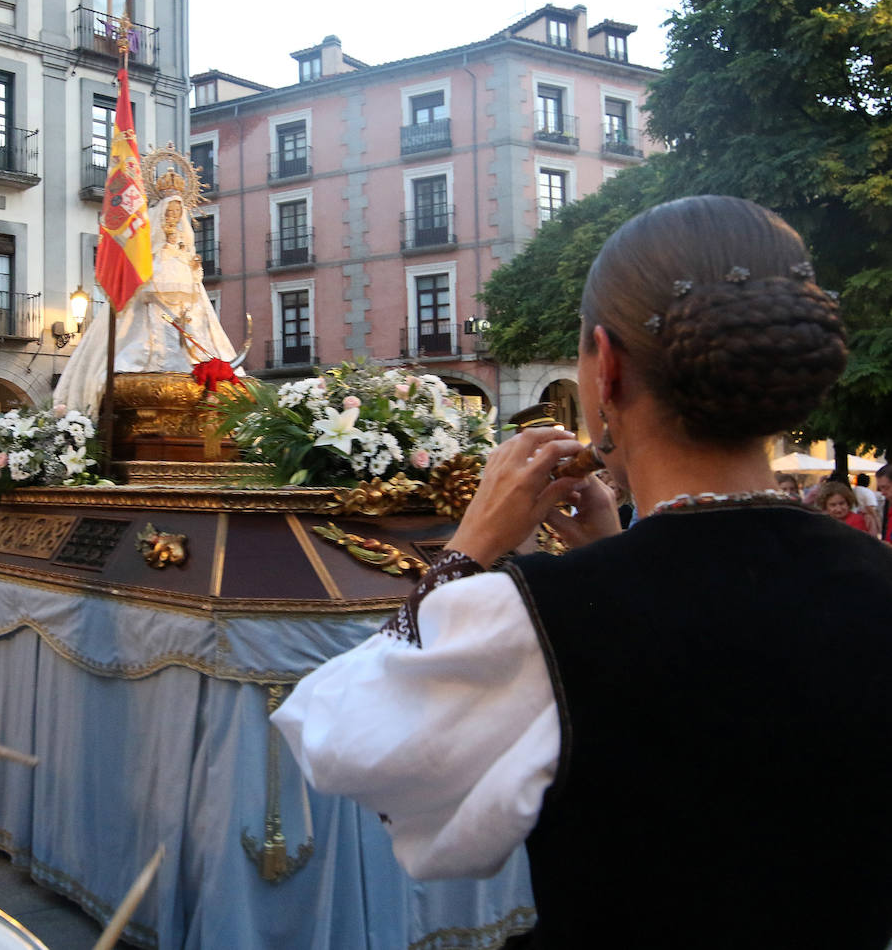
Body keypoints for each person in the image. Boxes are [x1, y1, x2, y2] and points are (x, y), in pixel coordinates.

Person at [273, 196, 892, 949]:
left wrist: (464, 553)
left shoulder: (545, 616)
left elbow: (337, 736)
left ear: (608, 368)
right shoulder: (875, 575)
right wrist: (611, 546)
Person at [53, 177, 242, 414]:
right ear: (160, 214)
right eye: (169, 212)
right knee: (123, 370)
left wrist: (193, 269)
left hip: (187, 325)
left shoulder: (185, 256)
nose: (172, 218)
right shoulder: (149, 257)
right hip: (150, 324)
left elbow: (195, 296)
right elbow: (145, 288)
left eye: (177, 212)